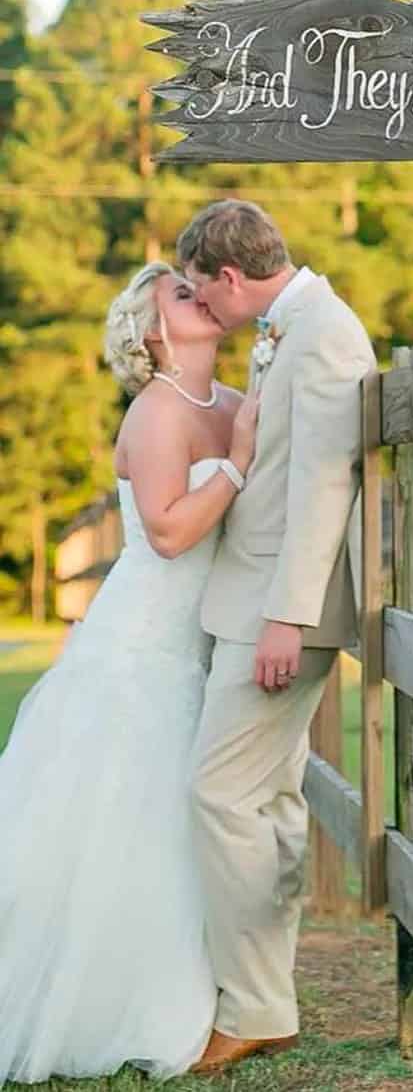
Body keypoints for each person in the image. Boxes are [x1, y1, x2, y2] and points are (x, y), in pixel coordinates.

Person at [0, 261, 258, 1083]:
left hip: (197, 648)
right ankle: (126, 999)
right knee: (123, 819)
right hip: (138, 651)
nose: (202, 295)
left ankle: (204, 986)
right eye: (180, 295)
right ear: (152, 335)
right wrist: (238, 465)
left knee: (186, 821)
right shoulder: (157, 413)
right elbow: (173, 533)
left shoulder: (229, 404)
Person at [177, 200, 374, 1077]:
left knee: (218, 793)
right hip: (252, 596)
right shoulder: (288, 330)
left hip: (280, 610)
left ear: (228, 275)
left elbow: (327, 483)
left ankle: (253, 1004)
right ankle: (269, 996)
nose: (203, 310)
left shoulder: (325, 334)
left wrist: (288, 617)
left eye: (198, 292)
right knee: (271, 802)